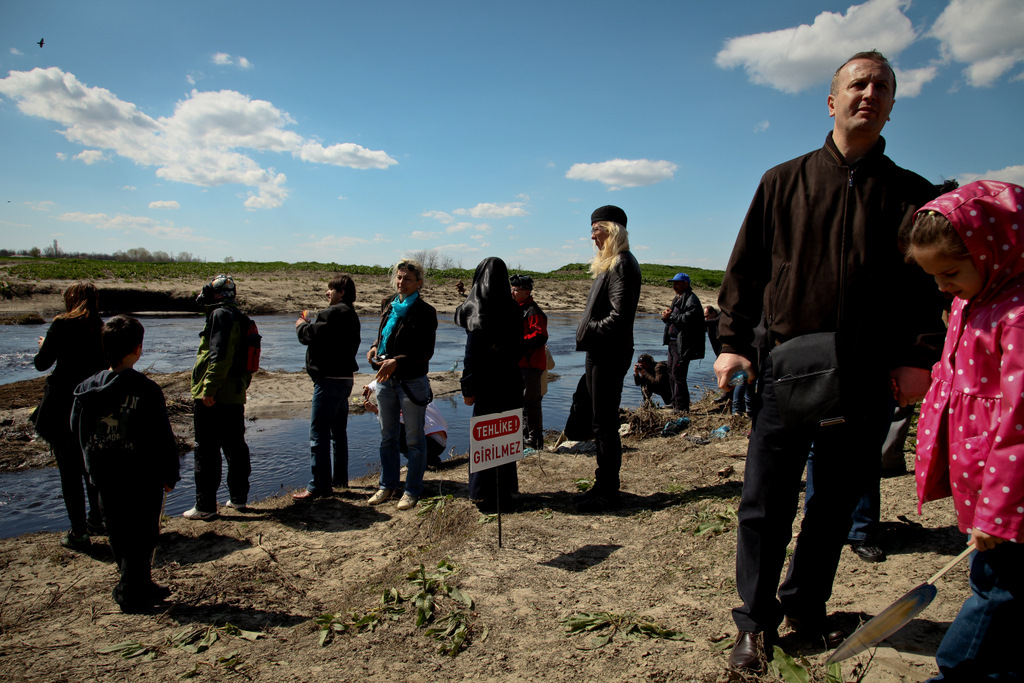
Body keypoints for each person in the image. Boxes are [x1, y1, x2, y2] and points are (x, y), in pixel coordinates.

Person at [713, 51, 944, 671]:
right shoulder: (782, 180)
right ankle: (755, 622)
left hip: (869, 372)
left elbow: (928, 289)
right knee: (764, 501)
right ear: (832, 99)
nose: (869, 93)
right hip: (788, 368)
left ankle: (806, 602)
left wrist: (920, 358)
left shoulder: (913, 194)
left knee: (836, 501)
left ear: (893, 104)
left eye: (882, 87)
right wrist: (732, 343)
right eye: (857, 84)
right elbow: (745, 271)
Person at [907, 180, 1024, 682]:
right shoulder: (968, 302)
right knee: (996, 584)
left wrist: (997, 513)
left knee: (997, 589)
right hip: (986, 489)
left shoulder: (1016, 317)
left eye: (950, 272)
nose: (942, 287)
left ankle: (955, 673)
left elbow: (1019, 422)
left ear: (994, 252)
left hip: (1011, 499)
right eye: (933, 276)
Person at [71, 315, 179, 612]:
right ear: (137, 349)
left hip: (105, 473)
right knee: (142, 534)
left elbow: (75, 429)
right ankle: (129, 592)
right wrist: (170, 472)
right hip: (141, 475)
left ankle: (140, 583)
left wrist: (89, 465)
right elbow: (162, 436)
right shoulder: (146, 389)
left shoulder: (86, 387)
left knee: (119, 532)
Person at [573, 205, 641, 513]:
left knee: (605, 424)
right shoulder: (611, 264)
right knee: (599, 421)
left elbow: (619, 317)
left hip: (608, 353)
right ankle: (602, 486)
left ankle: (608, 492)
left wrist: (588, 330)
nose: (592, 237)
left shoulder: (622, 264)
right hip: (600, 351)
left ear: (612, 231)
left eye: (596, 230)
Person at [32, 282, 105, 550]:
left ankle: (79, 533)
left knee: (69, 471)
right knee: (90, 464)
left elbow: (42, 364)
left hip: (62, 403)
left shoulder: (61, 323)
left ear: (70, 299)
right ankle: (96, 520)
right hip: (92, 402)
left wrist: (44, 345)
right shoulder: (101, 327)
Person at [366, 259, 438, 511]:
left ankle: (412, 490)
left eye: (407, 279)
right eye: (398, 277)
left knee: (415, 439)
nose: (401, 282)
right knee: (388, 437)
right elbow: (382, 334)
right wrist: (376, 347)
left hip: (412, 382)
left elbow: (425, 352)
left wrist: (397, 361)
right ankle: (387, 486)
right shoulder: (388, 304)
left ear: (419, 283)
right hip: (385, 380)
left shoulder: (426, 311)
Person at [456, 257, 525, 512]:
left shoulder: (476, 308)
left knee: (485, 435)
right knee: (505, 434)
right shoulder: (515, 308)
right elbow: (518, 349)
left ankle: (483, 493)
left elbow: (471, 356)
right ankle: (504, 491)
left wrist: (468, 388)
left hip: (487, 383)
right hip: (509, 380)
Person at [184, 275, 253, 520]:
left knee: (206, 449)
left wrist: (208, 390)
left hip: (215, 396)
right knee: (235, 447)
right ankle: (238, 499)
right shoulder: (241, 318)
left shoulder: (220, 316)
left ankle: (204, 506)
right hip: (234, 394)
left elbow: (220, 356)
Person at [292, 274, 360, 500]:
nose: (327, 292)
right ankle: (339, 481)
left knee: (318, 433)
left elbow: (308, 336)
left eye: (331, 289)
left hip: (329, 380)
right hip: (345, 379)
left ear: (341, 292)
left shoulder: (332, 313)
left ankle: (318, 486)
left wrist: (301, 324)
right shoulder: (352, 315)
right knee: (338, 433)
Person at [362, 381, 447, 469]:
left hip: (432, 443)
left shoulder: (403, 400)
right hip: (439, 442)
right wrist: (370, 387)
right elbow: (385, 381)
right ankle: (431, 459)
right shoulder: (416, 389)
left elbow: (391, 421)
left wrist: (376, 411)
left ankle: (418, 461)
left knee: (394, 432)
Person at [511, 274, 548, 449]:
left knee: (530, 403)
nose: (512, 291)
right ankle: (524, 437)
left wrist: (520, 343)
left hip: (531, 364)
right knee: (520, 402)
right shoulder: (517, 308)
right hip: (521, 363)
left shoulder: (533, 311)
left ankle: (534, 440)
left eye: (516, 289)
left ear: (526, 292)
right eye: (512, 288)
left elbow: (541, 336)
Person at [661, 273, 704, 413]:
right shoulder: (679, 298)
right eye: (673, 283)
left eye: (677, 283)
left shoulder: (692, 299)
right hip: (673, 342)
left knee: (678, 374)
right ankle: (674, 402)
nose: (674, 286)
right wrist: (666, 317)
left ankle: (681, 407)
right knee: (670, 371)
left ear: (685, 283)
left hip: (683, 344)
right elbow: (675, 319)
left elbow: (687, 320)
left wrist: (671, 315)